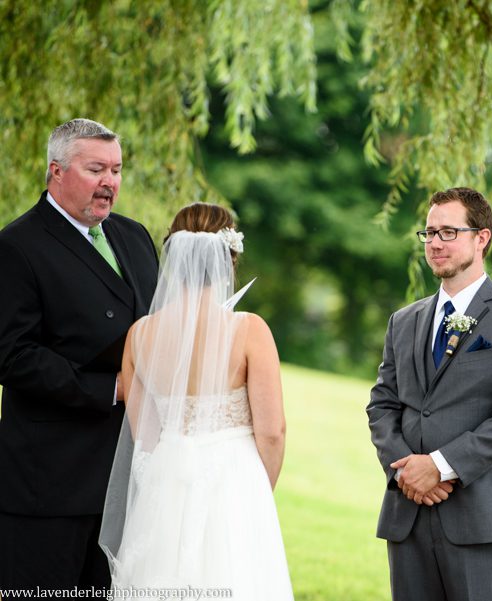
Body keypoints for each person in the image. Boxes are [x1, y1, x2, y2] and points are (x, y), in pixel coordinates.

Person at [366, 187, 492, 601]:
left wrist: (439, 466)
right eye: (429, 233)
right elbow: (382, 404)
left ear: (481, 238)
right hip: (407, 516)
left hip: (482, 518)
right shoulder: (404, 320)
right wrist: (405, 472)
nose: (435, 243)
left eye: (448, 232)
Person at [98, 203, 292, 600]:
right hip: (234, 480)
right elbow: (273, 432)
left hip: (165, 482)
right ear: (230, 258)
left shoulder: (139, 335)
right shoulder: (249, 330)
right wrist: (256, 490)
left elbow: (145, 437)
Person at [0, 118, 159, 593]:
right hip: (48, 483)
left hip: (127, 474)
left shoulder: (135, 237)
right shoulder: (16, 247)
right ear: (57, 171)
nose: (110, 182)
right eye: (96, 169)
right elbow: (12, 355)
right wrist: (110, 388)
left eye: (117, 169)